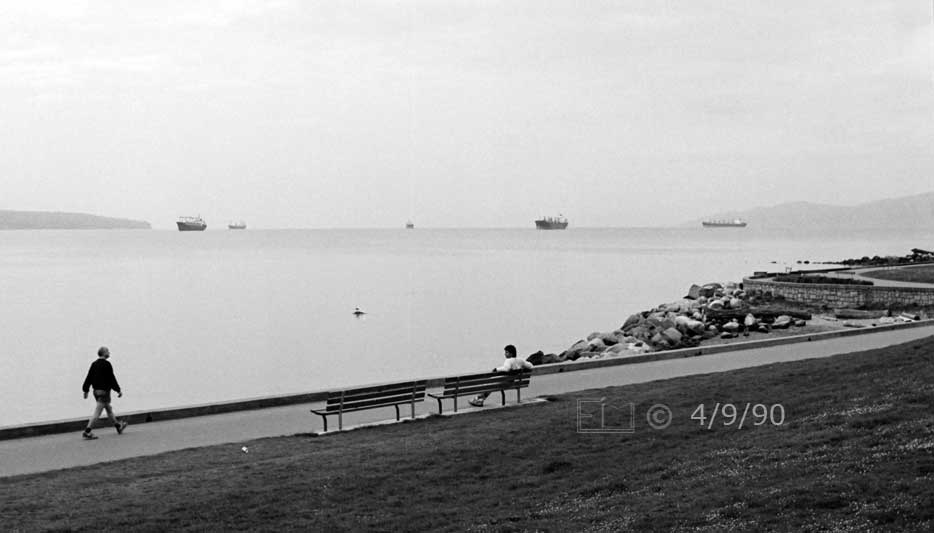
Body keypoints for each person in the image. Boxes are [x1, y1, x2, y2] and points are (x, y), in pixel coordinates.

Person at [81, 346, 128, 440]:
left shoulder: (94, 364)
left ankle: (118, 426)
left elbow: (89, 377)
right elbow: (111, 378)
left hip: (96, 392)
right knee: (97, 412)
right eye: (107, 351)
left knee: (108, 409)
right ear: (103, 353)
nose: (109, 352)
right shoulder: (107, 364)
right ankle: (87, 431)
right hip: (104, 392)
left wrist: (86, 390)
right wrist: (118, 390)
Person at [469, 344, 533, 407]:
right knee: (491, 384)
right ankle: (480, 399)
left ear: (511, 353)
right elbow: (530, 366)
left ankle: (478, 399)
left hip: (505, 383)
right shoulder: (520, 360)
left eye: (506, 352)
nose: (505, 354)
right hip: (513, 383)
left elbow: (506, 368)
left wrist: (496, 369)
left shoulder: (508, 360)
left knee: (489, 384)